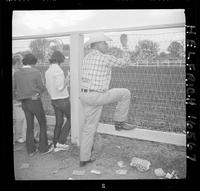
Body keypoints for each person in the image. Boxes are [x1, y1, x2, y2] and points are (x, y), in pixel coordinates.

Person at [79, 32, 135, 167]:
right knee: (125, 93)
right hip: (97, 96)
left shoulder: (86, 58)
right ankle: (120, 122)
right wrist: (125, 45)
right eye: (105, 43)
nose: (107, 45)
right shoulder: (104, 58)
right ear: (97, 45)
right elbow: (125, 63)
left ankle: (84, 159)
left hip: (85, 96)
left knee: (89, 128)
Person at [13, 53, 54, 156]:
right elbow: (41, 87)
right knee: (42, 123)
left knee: (29, 125)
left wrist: (17, 99)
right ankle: (43, 148)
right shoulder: (35, 72)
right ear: (33, 62)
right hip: (34, 101)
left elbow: (13, 88)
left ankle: (31, 150)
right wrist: (39, 92)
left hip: (24, 103)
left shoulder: (16, 73)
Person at [45, 51, 71, 152]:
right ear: (60, 59)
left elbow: (49, 86)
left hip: (54, 100)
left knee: (59, 122)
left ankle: (55, 143)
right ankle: (61, 142)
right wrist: (68, 78)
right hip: (62, 99)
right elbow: (60, 87)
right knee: (71, 118)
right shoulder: (58, 70)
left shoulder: (48, 71)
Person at [12, 54, 27, 144]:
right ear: (17, 63)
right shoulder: (15, 73)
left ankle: (18, 136)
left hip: (16, 98)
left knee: (19, 117)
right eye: (22, 62)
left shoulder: (16, 72)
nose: (23, 64)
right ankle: (18, 136)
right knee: (19, 118)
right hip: (16, 99)